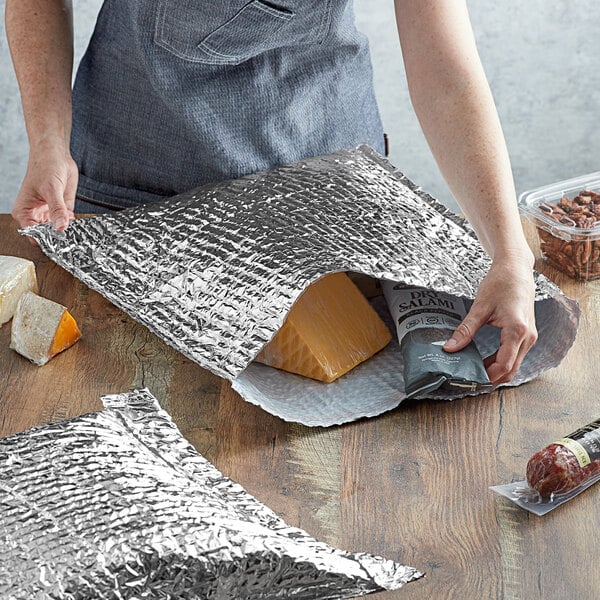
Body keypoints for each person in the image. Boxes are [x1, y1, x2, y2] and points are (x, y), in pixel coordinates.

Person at [6, 0, 538, 384]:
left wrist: (510, 253)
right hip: (134, 195)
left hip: (324, 202)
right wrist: (48, 139)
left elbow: (445, 70)